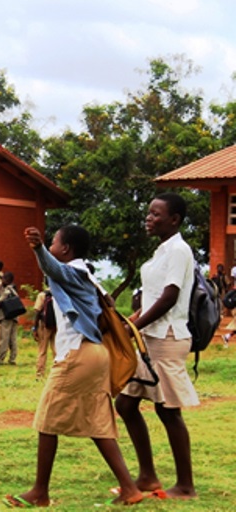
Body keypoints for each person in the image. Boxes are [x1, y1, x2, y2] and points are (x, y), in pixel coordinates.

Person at [6, 226, 143, 507]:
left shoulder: (75, 273)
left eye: (54, 242)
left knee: (46, 421)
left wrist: (38, 249)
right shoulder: (91, 277)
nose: (52, 245)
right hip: (95, 354)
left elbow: (55, 270)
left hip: (78, 354)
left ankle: (40, 492)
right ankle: (129, 488)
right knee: (97, 424)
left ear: (65, 249)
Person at [115, 192, 199, 500]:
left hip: (166, 337)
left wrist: (135, 325)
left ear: (174, 220)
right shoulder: (162, 251)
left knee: (168, 411)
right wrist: (130, 323)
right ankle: (148, 476)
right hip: (148, 337)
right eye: (149, 213)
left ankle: (186, 485)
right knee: (125, 404)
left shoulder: (178, 250)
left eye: (156, 214)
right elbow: (152, 297)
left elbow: (170, 297)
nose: (149, 218)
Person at [0, 271, 20, 365]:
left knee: (4, 338)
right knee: (13, 339)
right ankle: (12, 359)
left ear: (7, 280)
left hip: (6, 317)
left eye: (3, 279)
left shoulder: (6, 290)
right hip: (15, 317)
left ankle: (0, 358)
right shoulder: (14, 291)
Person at [32, 283, 57, 379]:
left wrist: (35, 327)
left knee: (42, 350)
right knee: (56, 350)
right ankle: (56, 372)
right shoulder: (58, 293)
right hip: (56, 326)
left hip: (44, 325)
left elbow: (37, 312)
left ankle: (40, 374)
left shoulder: (42, 295)